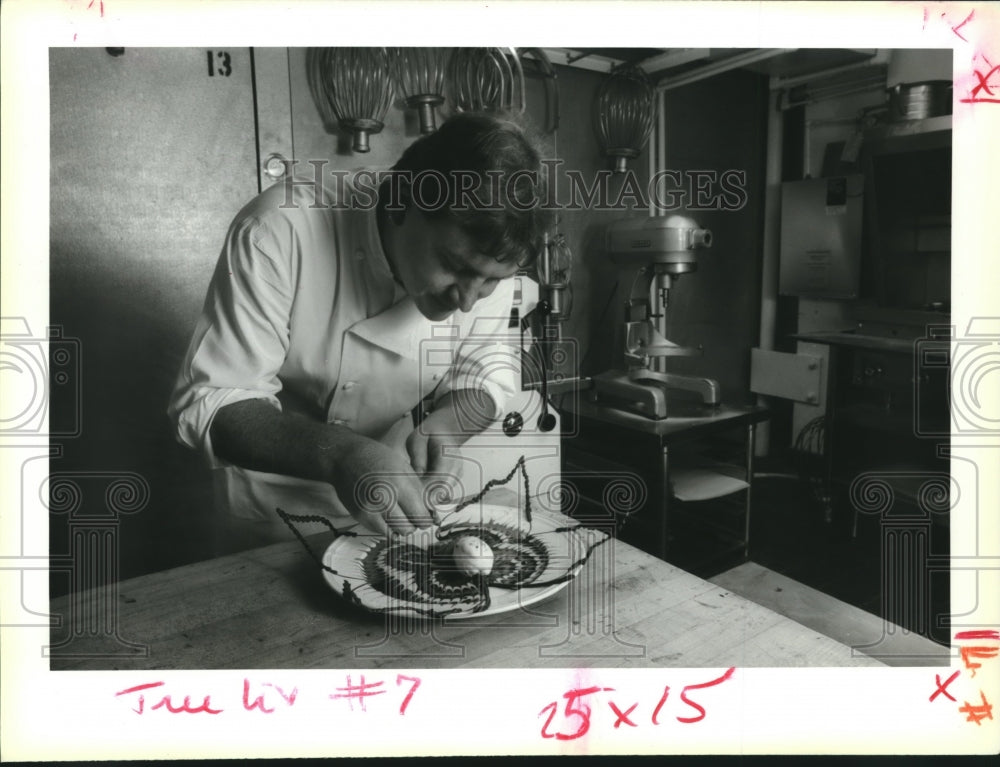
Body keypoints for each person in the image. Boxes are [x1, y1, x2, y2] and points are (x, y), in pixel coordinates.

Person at [168, 112, 549, 545]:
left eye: (491, 282)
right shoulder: (281, 229)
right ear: (403, 203)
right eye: (454, 267)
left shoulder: (489, 258)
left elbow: (485, 374)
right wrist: (343, 454)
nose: (466, 300)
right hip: (274, 515)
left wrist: (444, 426)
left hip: (400, 506)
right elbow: (214, 400)